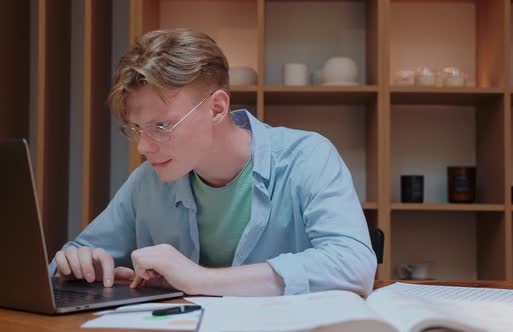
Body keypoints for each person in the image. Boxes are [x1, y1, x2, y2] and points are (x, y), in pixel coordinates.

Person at [50, 29, 376, 297]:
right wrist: (78, 264)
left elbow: (355, 265)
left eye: (161, 126)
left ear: (217, 108)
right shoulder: (148, 180)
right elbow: (71, 258)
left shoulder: (308, 157)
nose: (144, 147)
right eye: (137, 129)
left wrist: (198, 280)